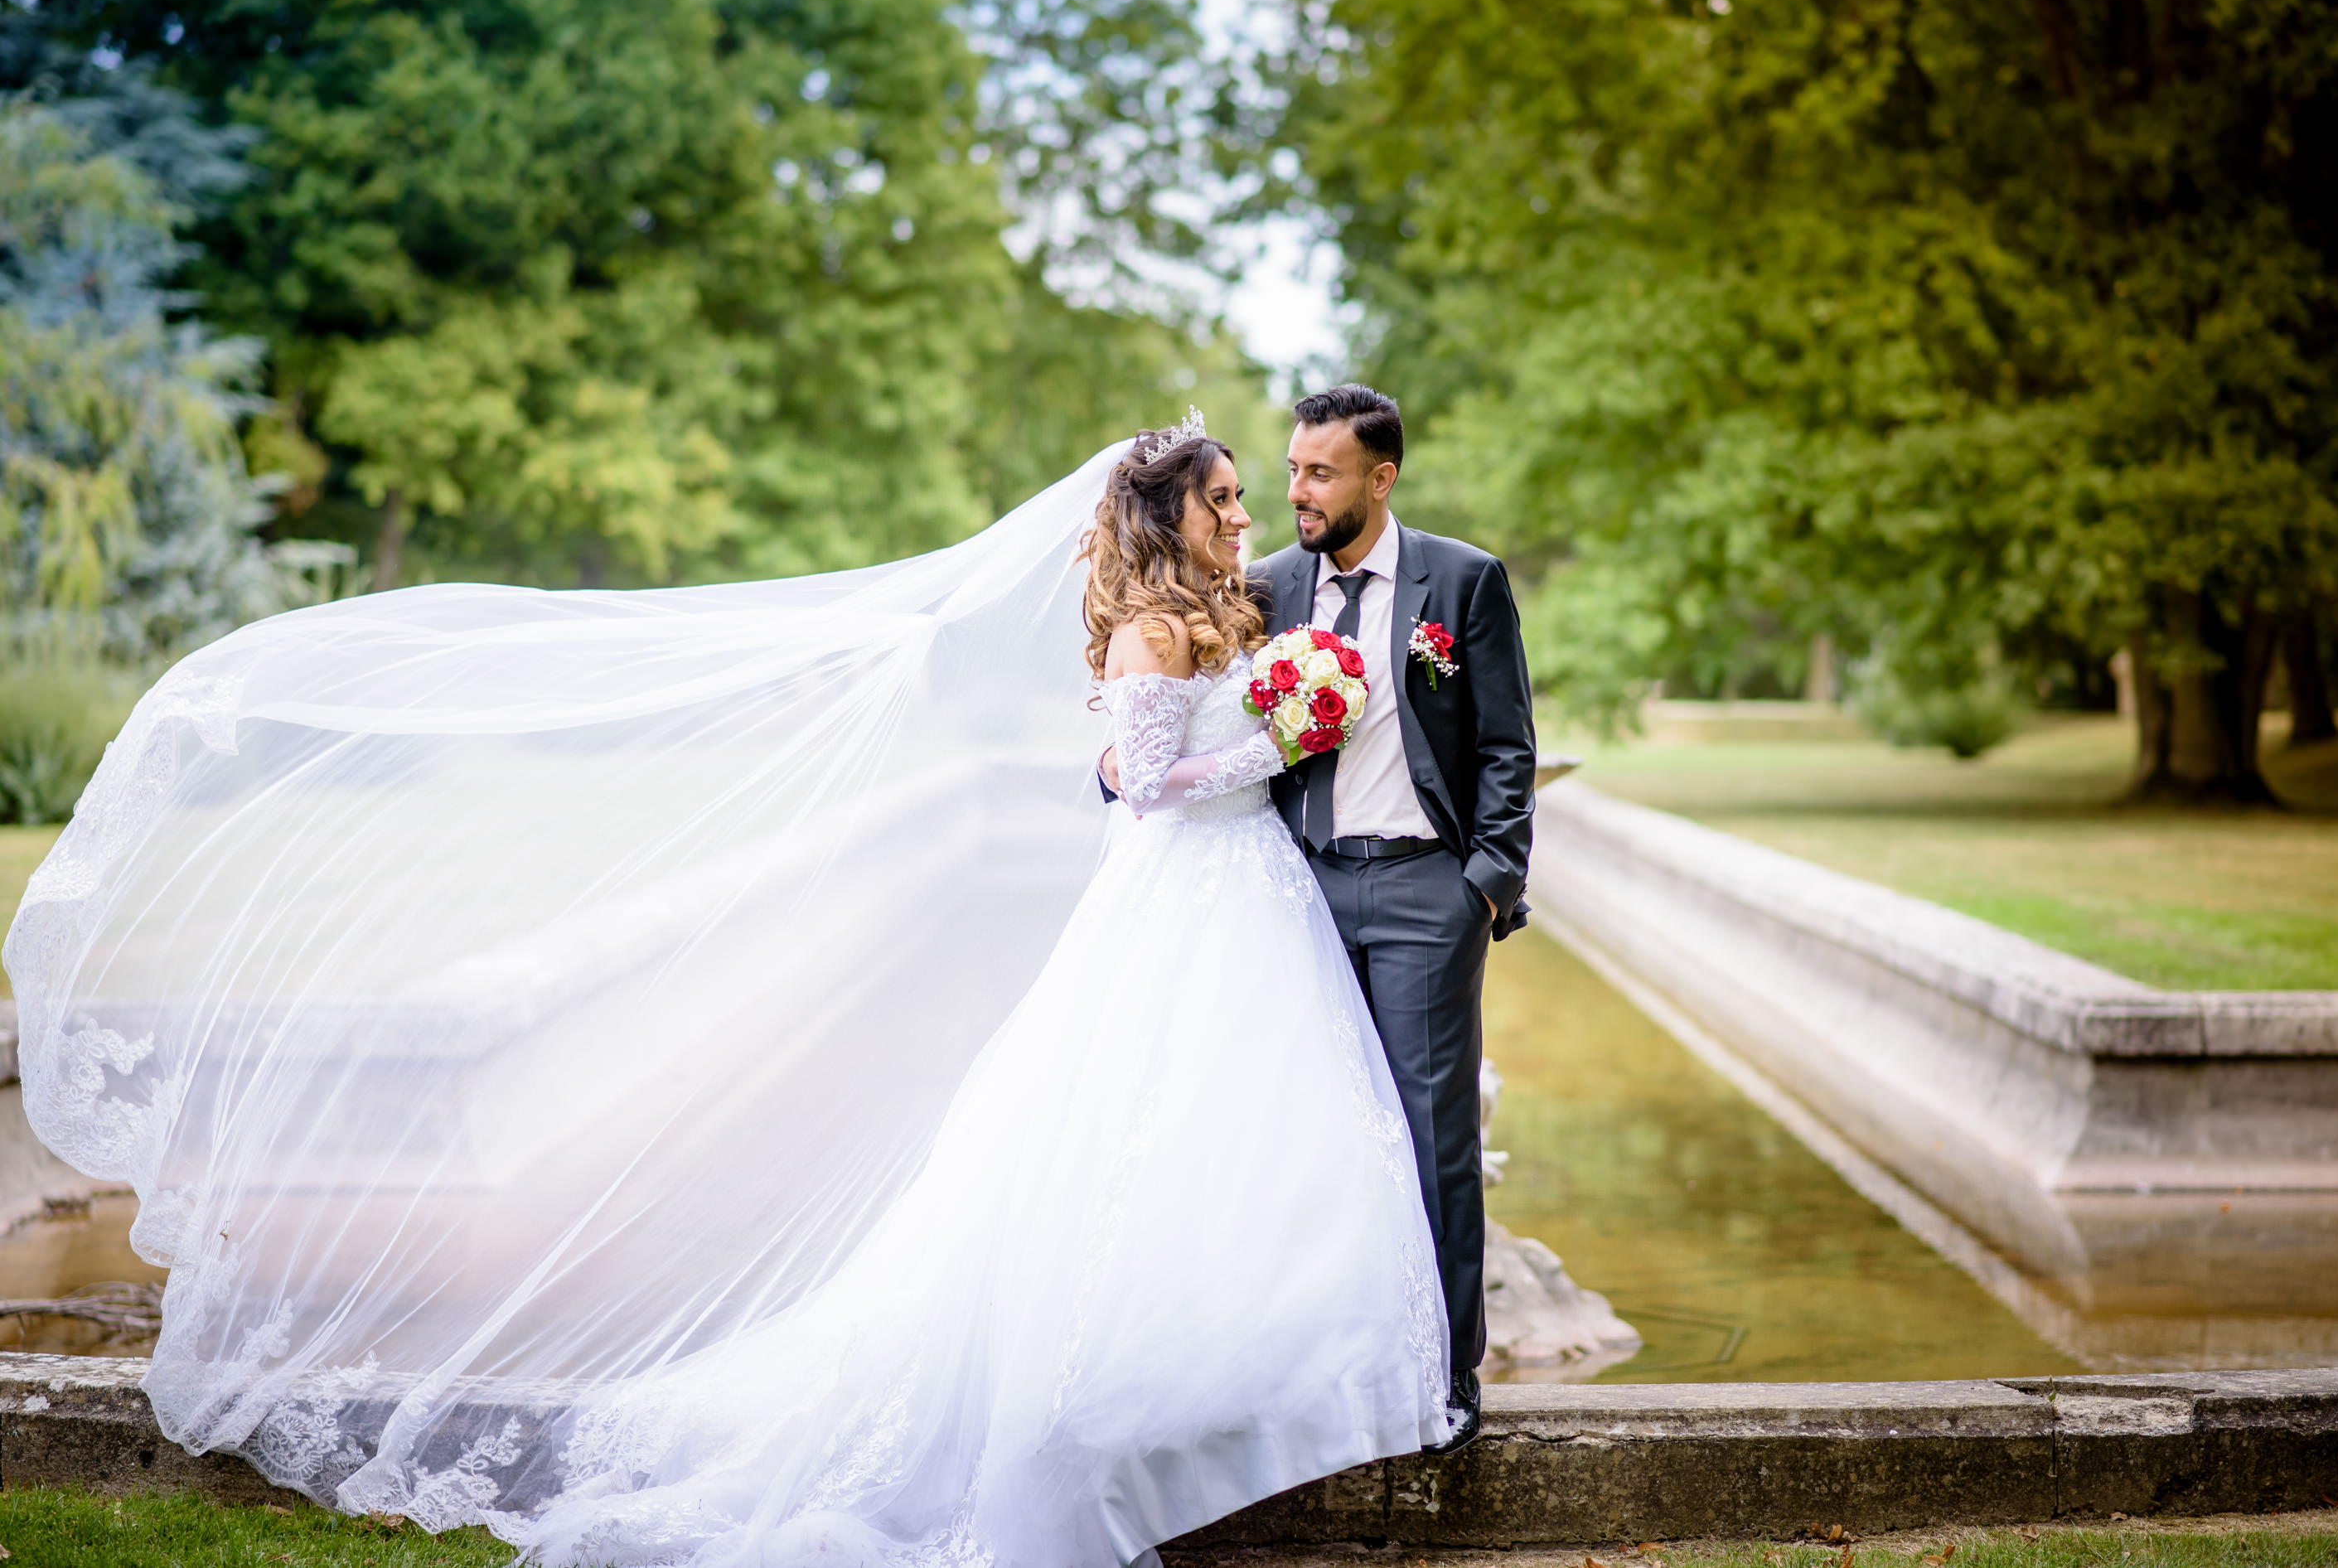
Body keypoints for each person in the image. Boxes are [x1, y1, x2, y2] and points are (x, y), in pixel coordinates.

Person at [3, 421, 1451, 1567]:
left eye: (1248, 501)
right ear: (1169, 516)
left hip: (1251, 900)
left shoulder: (1237, 609)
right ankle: (1110, 1410)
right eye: (1222, 501)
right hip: (1184, 889)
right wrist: (1267, 745)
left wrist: (1286, 707)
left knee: (1250, 1145)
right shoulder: (1151, 633)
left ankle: (1247, 1383)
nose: (1246, 515)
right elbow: (1137, 784)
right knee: (1122, 1145)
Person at [1107, 386, 1534, 1454]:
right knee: (1313, 1139)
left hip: (1425, 893)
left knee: (1435, 1139)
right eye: (1289, 471)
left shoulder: (1462, 581)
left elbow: (1506, 748)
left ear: (1380, 479)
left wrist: (1485, 882)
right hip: (1289, 891)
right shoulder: (1263, 588)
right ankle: (1326, 1375)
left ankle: (1446, 1381)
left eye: (1319, 474)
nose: (1293, 493)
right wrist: (1119, 773)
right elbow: (1160, 691)